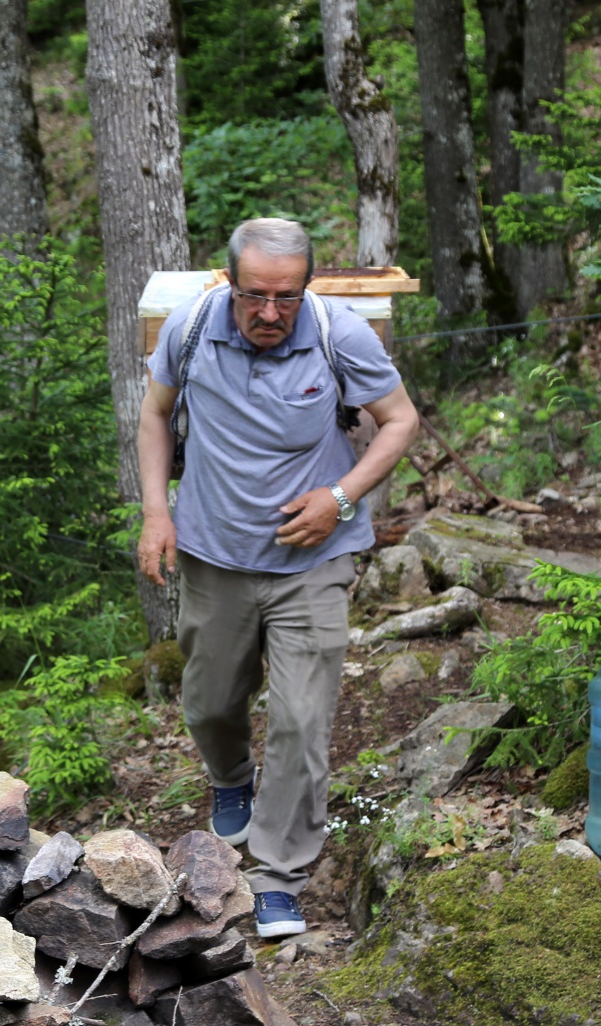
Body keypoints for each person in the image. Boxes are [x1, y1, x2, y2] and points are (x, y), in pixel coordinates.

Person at [135, 218, 419, 938]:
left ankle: (278, 874)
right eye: (256, 295)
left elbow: (399, 421)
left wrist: (341, 498)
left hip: (312, 563)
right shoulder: (193, 327)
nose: (269, 312)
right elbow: (155, 415)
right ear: (231, 282)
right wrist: (155, 513)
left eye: (285, 297)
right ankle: (231, 776)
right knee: (207, 701)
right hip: (214, 554)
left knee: (300, 718)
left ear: (305, 287)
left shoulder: (339, 333)